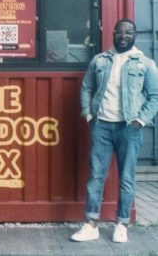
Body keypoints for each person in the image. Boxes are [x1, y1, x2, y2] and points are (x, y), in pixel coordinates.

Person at [71, 19, 158, 243]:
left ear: (135, 35)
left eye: (128, 33)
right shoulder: (99, 60)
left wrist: (141, 120)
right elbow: (87, 87)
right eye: (120, 32)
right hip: (102, 125)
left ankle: (122, 223)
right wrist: (89, 114)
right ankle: (91, 224)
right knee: (96, 176)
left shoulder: (145, 63)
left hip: (129, 128)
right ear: (113, 34)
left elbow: (155, 95)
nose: (123, 36)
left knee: (127, 177)